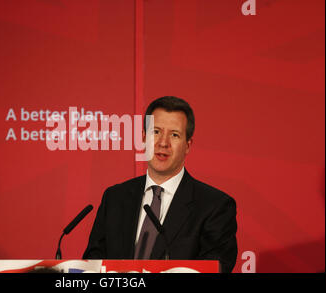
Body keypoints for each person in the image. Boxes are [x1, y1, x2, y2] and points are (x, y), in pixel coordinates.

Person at [83, 96, 238, 273]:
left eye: (174, 135)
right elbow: (92, 265)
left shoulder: (215, 206)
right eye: (155, 132)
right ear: (143, 138)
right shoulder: (115, 198)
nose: (163, 143)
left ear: (188, 145)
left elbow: (216, 268)